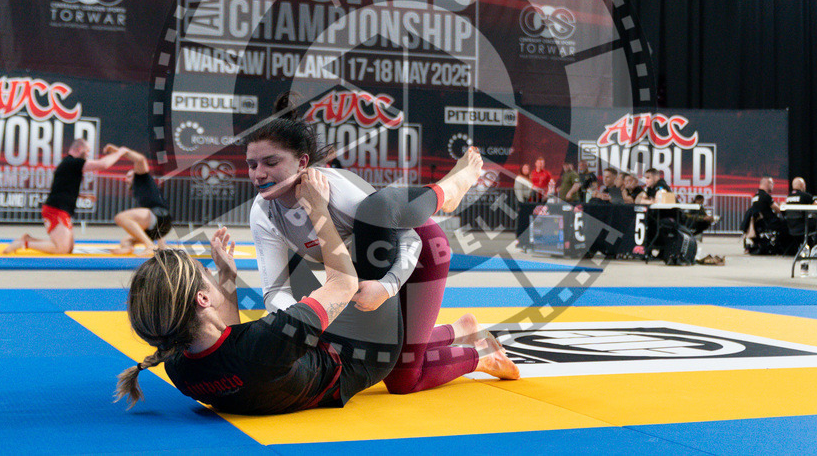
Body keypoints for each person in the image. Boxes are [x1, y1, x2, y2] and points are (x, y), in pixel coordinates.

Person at [116, 171, 517, 414]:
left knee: (304, 259)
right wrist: (319, 211)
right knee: (377, 218)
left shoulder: (177, 366)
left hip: (300, 357)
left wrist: (224, 276)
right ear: (202, 301)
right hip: (356, 360)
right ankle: (475, 352)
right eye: (204, 277)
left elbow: (228, 341)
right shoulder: (271, 337)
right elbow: (341, 286)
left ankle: (455, 329)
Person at [247, 93, 517, 396]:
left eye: (270, 163)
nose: (258, 174)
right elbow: (275, 292)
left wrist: (387, 286)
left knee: (403, 380)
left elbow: (409, 237)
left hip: (419, 253)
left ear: (302, 162)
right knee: (353, 342)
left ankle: (482, 354)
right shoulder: (262, 213)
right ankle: (460, 331)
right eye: (252, 164)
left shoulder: (335, 189)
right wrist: (306, 318)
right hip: (370, 268)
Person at [4, 139, 127, 254]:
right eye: (88, 151)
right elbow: (103, 164)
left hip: (59, 209)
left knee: (68, 248)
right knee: (61, 248)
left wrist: (82, 196)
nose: (88, 154)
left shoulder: (67, 163)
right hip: (56, 210)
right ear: (80, 149)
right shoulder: (73, 163)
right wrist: (120, 152)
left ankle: (28, 239)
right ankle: (24, 243)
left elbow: (63, 187)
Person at [105, 144, 172, 255]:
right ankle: (129, 248)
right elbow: (159, 224)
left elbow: (140, 159)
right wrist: (162, 246)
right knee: (126, 240)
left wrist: (119, 151)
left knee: (121, 217)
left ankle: (149, 246)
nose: (126, 180)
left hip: (160, 216)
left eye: (130, 176)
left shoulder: (142, 178)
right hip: (162, 223)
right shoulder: (141, 190)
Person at [742, 177, 785, 253]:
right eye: (772, 183)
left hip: (760, 223)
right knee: (787, 225)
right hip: (770, 223)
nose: (773, 186)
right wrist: (782, 205)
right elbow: (778, 210)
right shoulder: (765, 196)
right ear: (767, 184)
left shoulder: (755, 196)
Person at [780, 177, 815, 252]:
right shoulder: (805, 196)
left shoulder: (788, 197)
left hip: (791, 227)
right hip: (802, 227)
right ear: (802, 185)